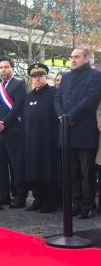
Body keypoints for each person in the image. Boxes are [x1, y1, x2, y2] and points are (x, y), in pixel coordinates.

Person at [54, 48, 101, 219]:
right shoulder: (66, 77)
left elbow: (91, 99)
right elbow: (57, 97)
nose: (73, 60)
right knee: (71, 171)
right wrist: (62, 116)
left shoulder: (95, 76)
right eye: (71, 57)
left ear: (87, 58)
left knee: (86, 171)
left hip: (85, 130)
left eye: (77, 57)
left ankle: (88, 205)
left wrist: (70, 115)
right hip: (67, 130)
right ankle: (76, 202)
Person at [0, 56, 27, 208]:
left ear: (12, 68)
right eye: (1, 67)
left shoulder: (19, 84)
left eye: (6, 67)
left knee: (15, 164)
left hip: (13, 131)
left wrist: (4, 122)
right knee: (0, 165)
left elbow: (17, 107)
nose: (4, 69)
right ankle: (4, 195)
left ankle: (19, 196)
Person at [23, 63, 59, 213]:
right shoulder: (29, 96)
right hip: (32, 141)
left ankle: (50, 201)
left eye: (40, 76)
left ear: (46, 77)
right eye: (34, 77)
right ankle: (38, 199)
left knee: (48, 171)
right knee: (34, 171)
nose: (37, 79)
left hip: (48, 140)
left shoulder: (53, 93)